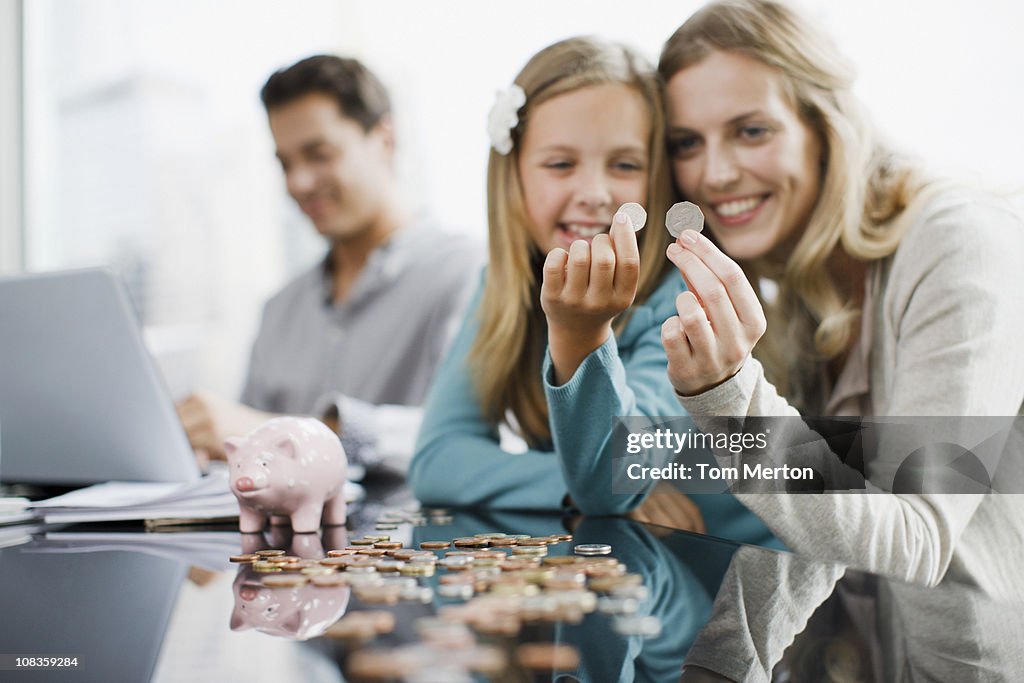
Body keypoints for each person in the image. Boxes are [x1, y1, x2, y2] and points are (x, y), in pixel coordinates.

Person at [657, 0, 1024, 599]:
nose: (715, 174)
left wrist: (728, 395)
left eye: (752, 130)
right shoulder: (799, 282)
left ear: (823, 127)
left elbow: (918, 539)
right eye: (687, 143)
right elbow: (812, 531)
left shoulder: (961, 243)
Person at [409, 36, 776, 547]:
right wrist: (572, 486)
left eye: (625, 165)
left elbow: (607, 487)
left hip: (730, 572)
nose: (595, 193)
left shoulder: (683, 301)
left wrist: (579, 333)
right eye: (560, 164)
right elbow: (436, 461)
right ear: (511, 177)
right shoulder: (500, 286)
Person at [176, 55, 482, 476]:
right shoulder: (279, 310)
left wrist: (292, 434)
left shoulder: (468, 273)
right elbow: (245, 457)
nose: (297, 182)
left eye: (318, 154)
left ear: (384, 140)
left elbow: (468, 440)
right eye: (285, 163)